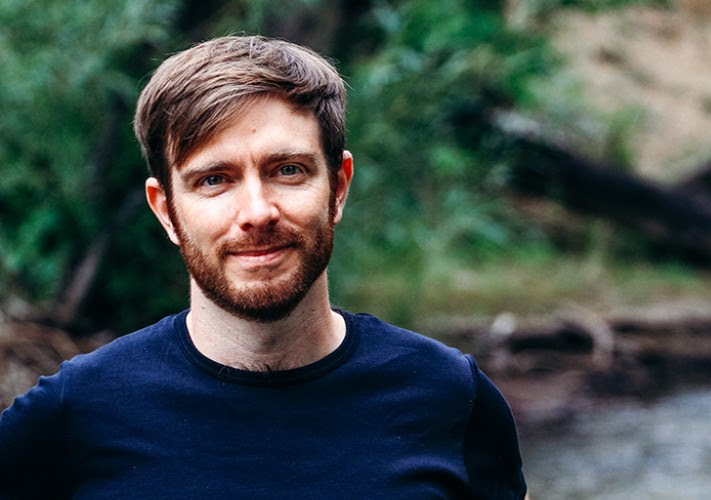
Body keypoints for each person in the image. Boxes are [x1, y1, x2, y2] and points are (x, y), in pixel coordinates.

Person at [0, 35, 527, 499]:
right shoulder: (75, 413)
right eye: (214, 179)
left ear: (338, 189)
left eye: (288, 170)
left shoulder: (451, 397)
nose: (256, 212)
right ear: (166, 211)